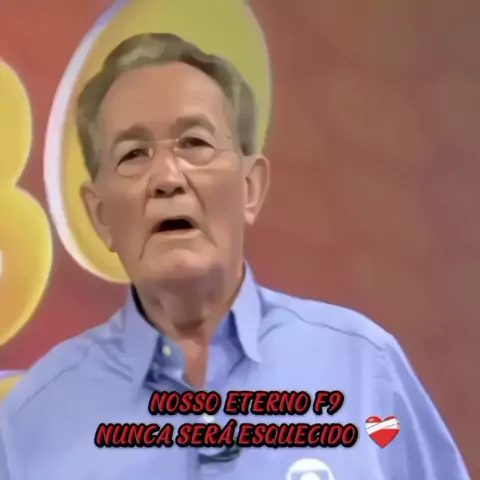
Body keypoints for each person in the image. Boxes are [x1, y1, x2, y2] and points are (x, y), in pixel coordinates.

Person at [0, 33, 469, 480]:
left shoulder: (364, 368)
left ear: (250, 188)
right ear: (100, 216)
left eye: (194, 144)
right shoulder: (32, 420)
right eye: (133, 154)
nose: (167, 178)